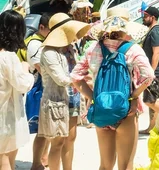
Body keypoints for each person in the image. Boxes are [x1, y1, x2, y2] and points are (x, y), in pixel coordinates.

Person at [71, 15, 154, 170]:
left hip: (101, 110)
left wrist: (92, 98)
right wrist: (134, 96)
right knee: (126, 166)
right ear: (125, 30)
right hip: (126, 111)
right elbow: (149, 76)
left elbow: (75, 77)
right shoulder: (133, 49)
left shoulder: (93, 48)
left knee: (105, 165)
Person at [38, 13, 91, 170]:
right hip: (56, 101)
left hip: (72, 99)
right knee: (58, 142)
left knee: (71, 138)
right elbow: (60, 78)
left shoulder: (70, 48)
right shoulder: (48, 52)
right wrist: (82, 78)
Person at [0, 10, 35, 170]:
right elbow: (22, 84)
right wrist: (26, 69)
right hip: (6, 115)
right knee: (5, 159)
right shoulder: (8, 57)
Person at [20, 13, 51, 170]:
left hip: (45, 87)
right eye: (50, 29)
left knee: (47, 129)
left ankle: (44, 158)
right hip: (39, 89)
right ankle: (36, 163)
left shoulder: (43, 41)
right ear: (41, 27)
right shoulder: (34, 44)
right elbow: (41, 69)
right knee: (42, 129)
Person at [141, 7, 159, 134]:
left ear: (153, 17)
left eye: (145, 15)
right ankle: (152, 128)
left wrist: (150, 72)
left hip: (156, 72)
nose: (143, 17)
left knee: (149, 101)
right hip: (156, 71)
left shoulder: (156, 31)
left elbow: (156, 53)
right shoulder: (152, 30)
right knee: (154, 99)